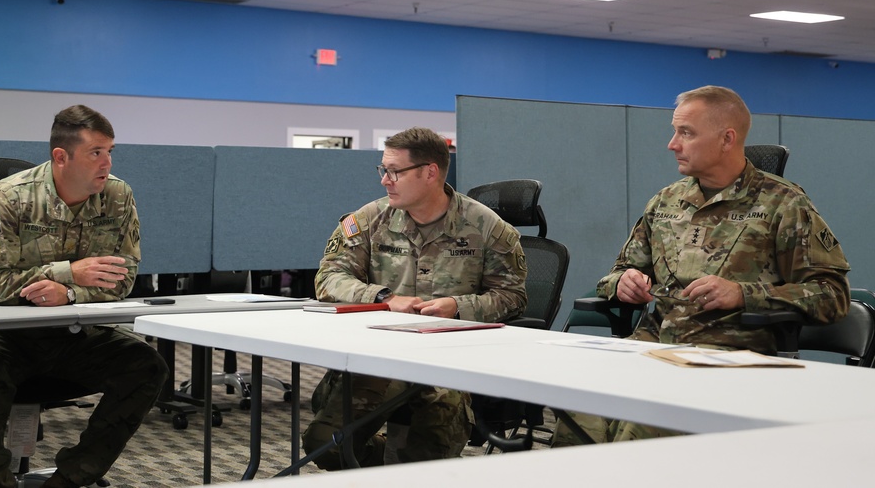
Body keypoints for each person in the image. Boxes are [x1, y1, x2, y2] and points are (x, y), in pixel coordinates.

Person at [555, 85, 851, 445]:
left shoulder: (784, 204)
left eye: (686, 133)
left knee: (640, 427)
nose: (672, 144)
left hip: (729, 357)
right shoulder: (667, 201)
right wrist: (623, 283)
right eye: (675, 131)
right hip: (652, 348)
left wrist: (743, 295)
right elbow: (617, 272)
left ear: (727, 139)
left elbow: (831, 296)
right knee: (575, 408)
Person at [0, 105, 169, 488]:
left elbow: (123, 278)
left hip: (72, 333)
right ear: (61, 157)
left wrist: (68, 290)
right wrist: (68, 271)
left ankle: (71, 478)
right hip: (4, 334)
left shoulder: (117, 196)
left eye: (110, 151)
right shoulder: (9, 198)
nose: (107, 162)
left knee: (146, 366)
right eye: (96, 152)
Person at [302, 127, 527, 469]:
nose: (385, 181)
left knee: (427, 463)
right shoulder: (368, 220)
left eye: (395, 171)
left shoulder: (487, 229)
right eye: (383, 170)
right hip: (382, 355)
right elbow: (329, 277)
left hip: (451, 362)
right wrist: (382, 297)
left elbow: (512, 297)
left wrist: (458, 307)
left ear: (429, 172)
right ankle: (383, 464)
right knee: (326, 445)